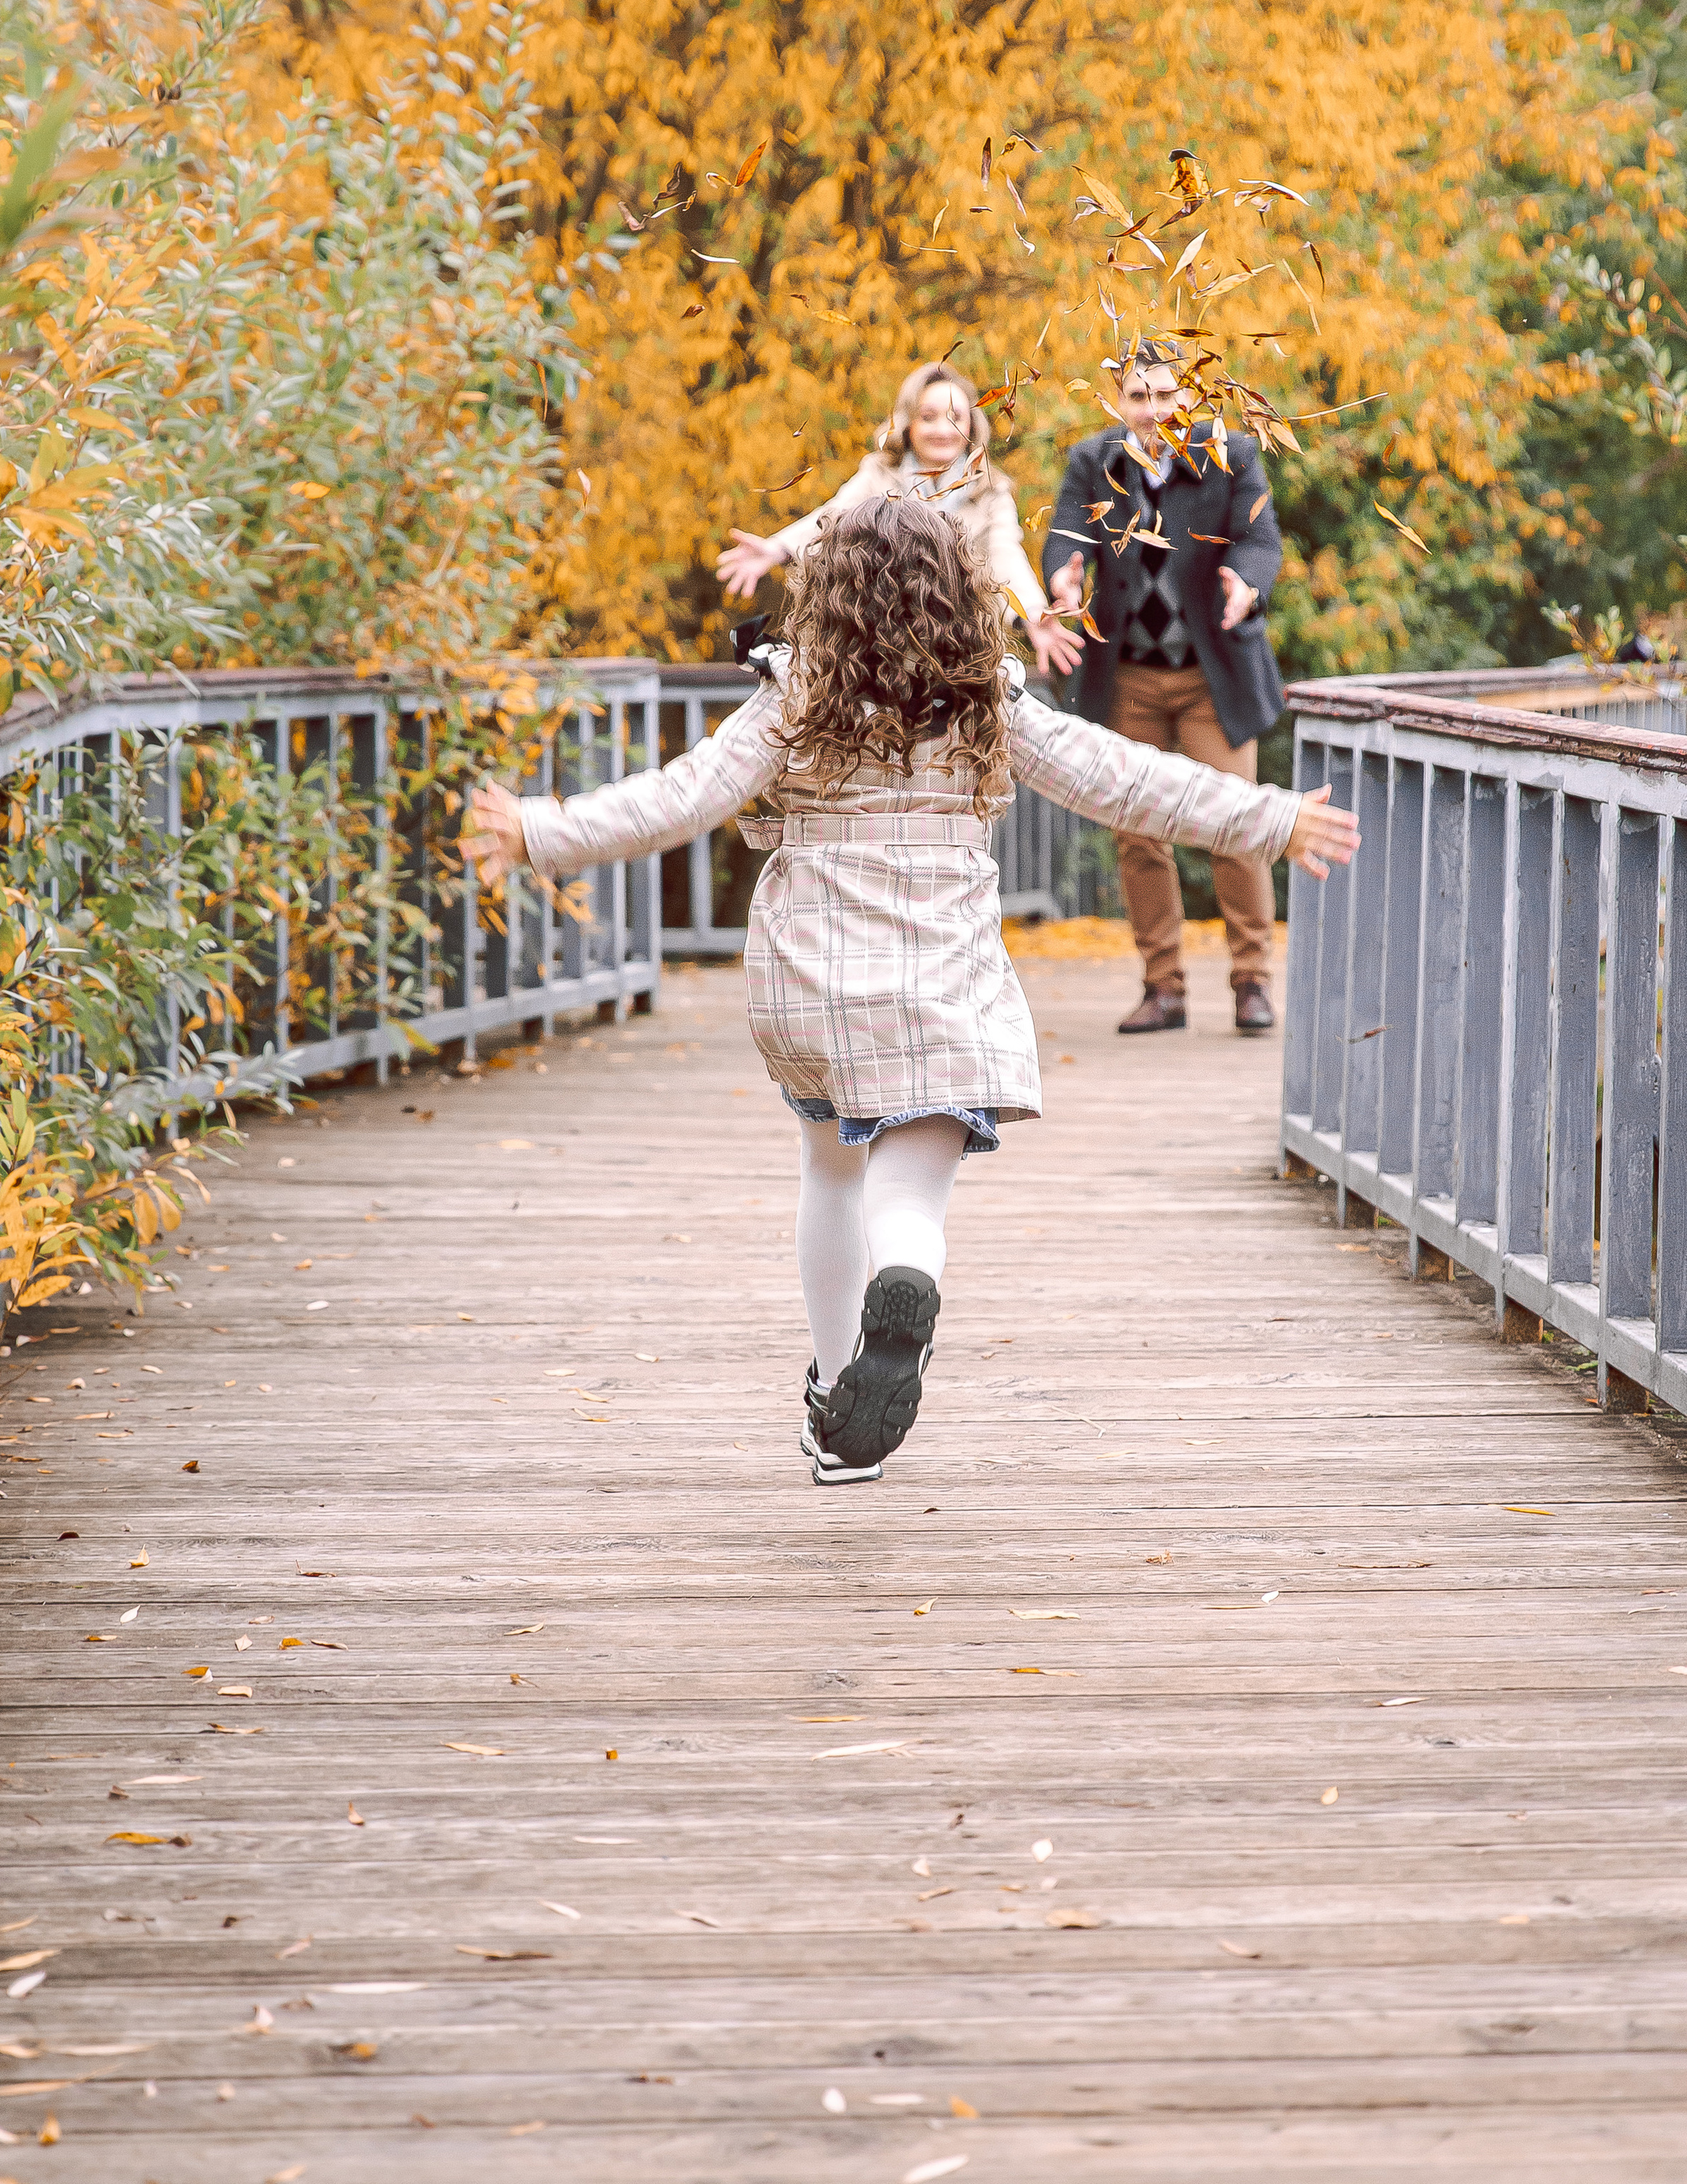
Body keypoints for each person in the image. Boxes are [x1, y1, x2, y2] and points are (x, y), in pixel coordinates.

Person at [465, 498, 1357, 1488]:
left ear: (828, 592)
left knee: (829, 1165)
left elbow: (678, 796)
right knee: (911, 1187)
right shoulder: (987, 700)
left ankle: (836, 1389)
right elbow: (1126, 779)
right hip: (941, 977)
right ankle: (908, 1284)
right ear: (958, 586)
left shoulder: (793, 696)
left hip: (813, 976)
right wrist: (1270, 819)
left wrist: (541, 829)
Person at [1042, 341, 1288, 1038]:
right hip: (1130, 678)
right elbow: (1065, 535)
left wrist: (1246, 580)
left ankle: (1250, 983)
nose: (1152, 412)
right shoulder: (1094, 461)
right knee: (1137, 832)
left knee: (1235, 823)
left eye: (1164, 396)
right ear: (1117, 403)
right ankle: (1163, 986)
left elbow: (1259, 538)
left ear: (1190, 398)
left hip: (1211, 674)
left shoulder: (1230, 453)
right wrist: (1064, 575)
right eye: (1137, 397)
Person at [716, 361, 1082, 685]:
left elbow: (1006, 556)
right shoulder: (880, 475)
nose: (943, 428)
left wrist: (1032, 614)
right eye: (928, 417)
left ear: (973, 426)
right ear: (907, 425)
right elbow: (832, 519)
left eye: (957, 417)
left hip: (955, 652)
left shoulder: (988, 491)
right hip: (876, 649)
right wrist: (778, 549)